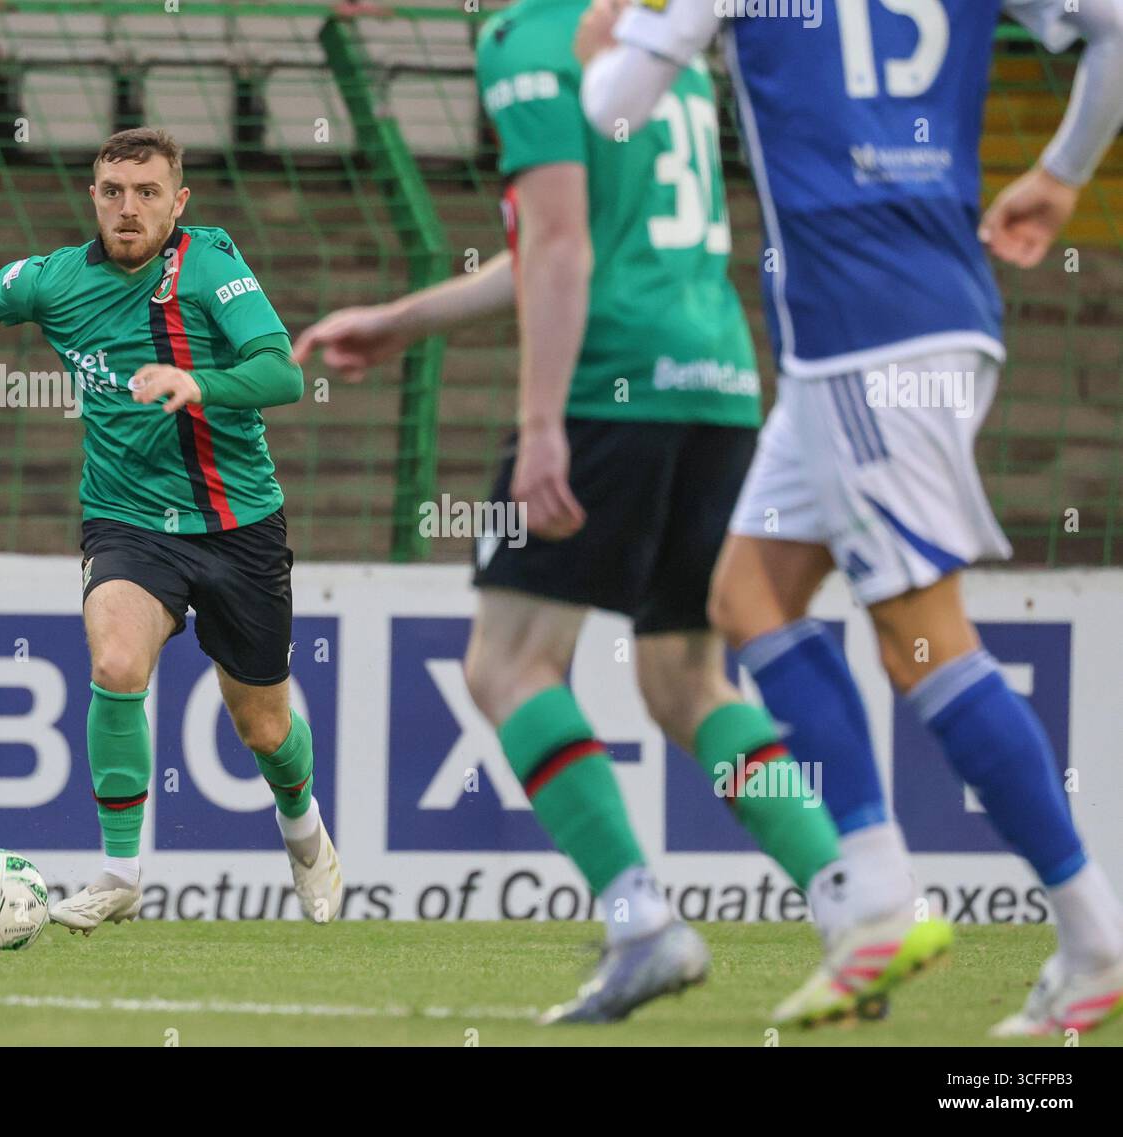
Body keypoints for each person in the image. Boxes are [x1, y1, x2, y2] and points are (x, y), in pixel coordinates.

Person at [296, 0, 866, 1024]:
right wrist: (402, 321)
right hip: (719, 383)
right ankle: (849, 904)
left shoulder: (526, 39)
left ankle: (642, 923)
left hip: (611, 385)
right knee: (684, 678)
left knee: (506, 665)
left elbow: (562, 248)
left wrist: (542, 424)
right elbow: (576, 243)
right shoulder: (656, 38)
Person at [581, 0, 1123, 1034]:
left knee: (922, 636)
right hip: (910, 320)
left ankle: (1093, 935)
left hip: (867, 340)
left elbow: (610, 108)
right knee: (748, 596)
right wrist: (1060, 174)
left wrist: (637, 22)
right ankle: (874, 899)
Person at [0, 128, 342, 933]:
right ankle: (121, 871)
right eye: (113, 191)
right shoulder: (54, 280)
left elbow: (283, 371)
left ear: (177, 202)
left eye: (147, 192)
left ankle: (306, 833)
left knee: (264, 726)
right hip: (127, 521)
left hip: (237, 523)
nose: (128, 207)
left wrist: (199, 382)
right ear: (93, 197)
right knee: (116, 661)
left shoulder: (211, 264)